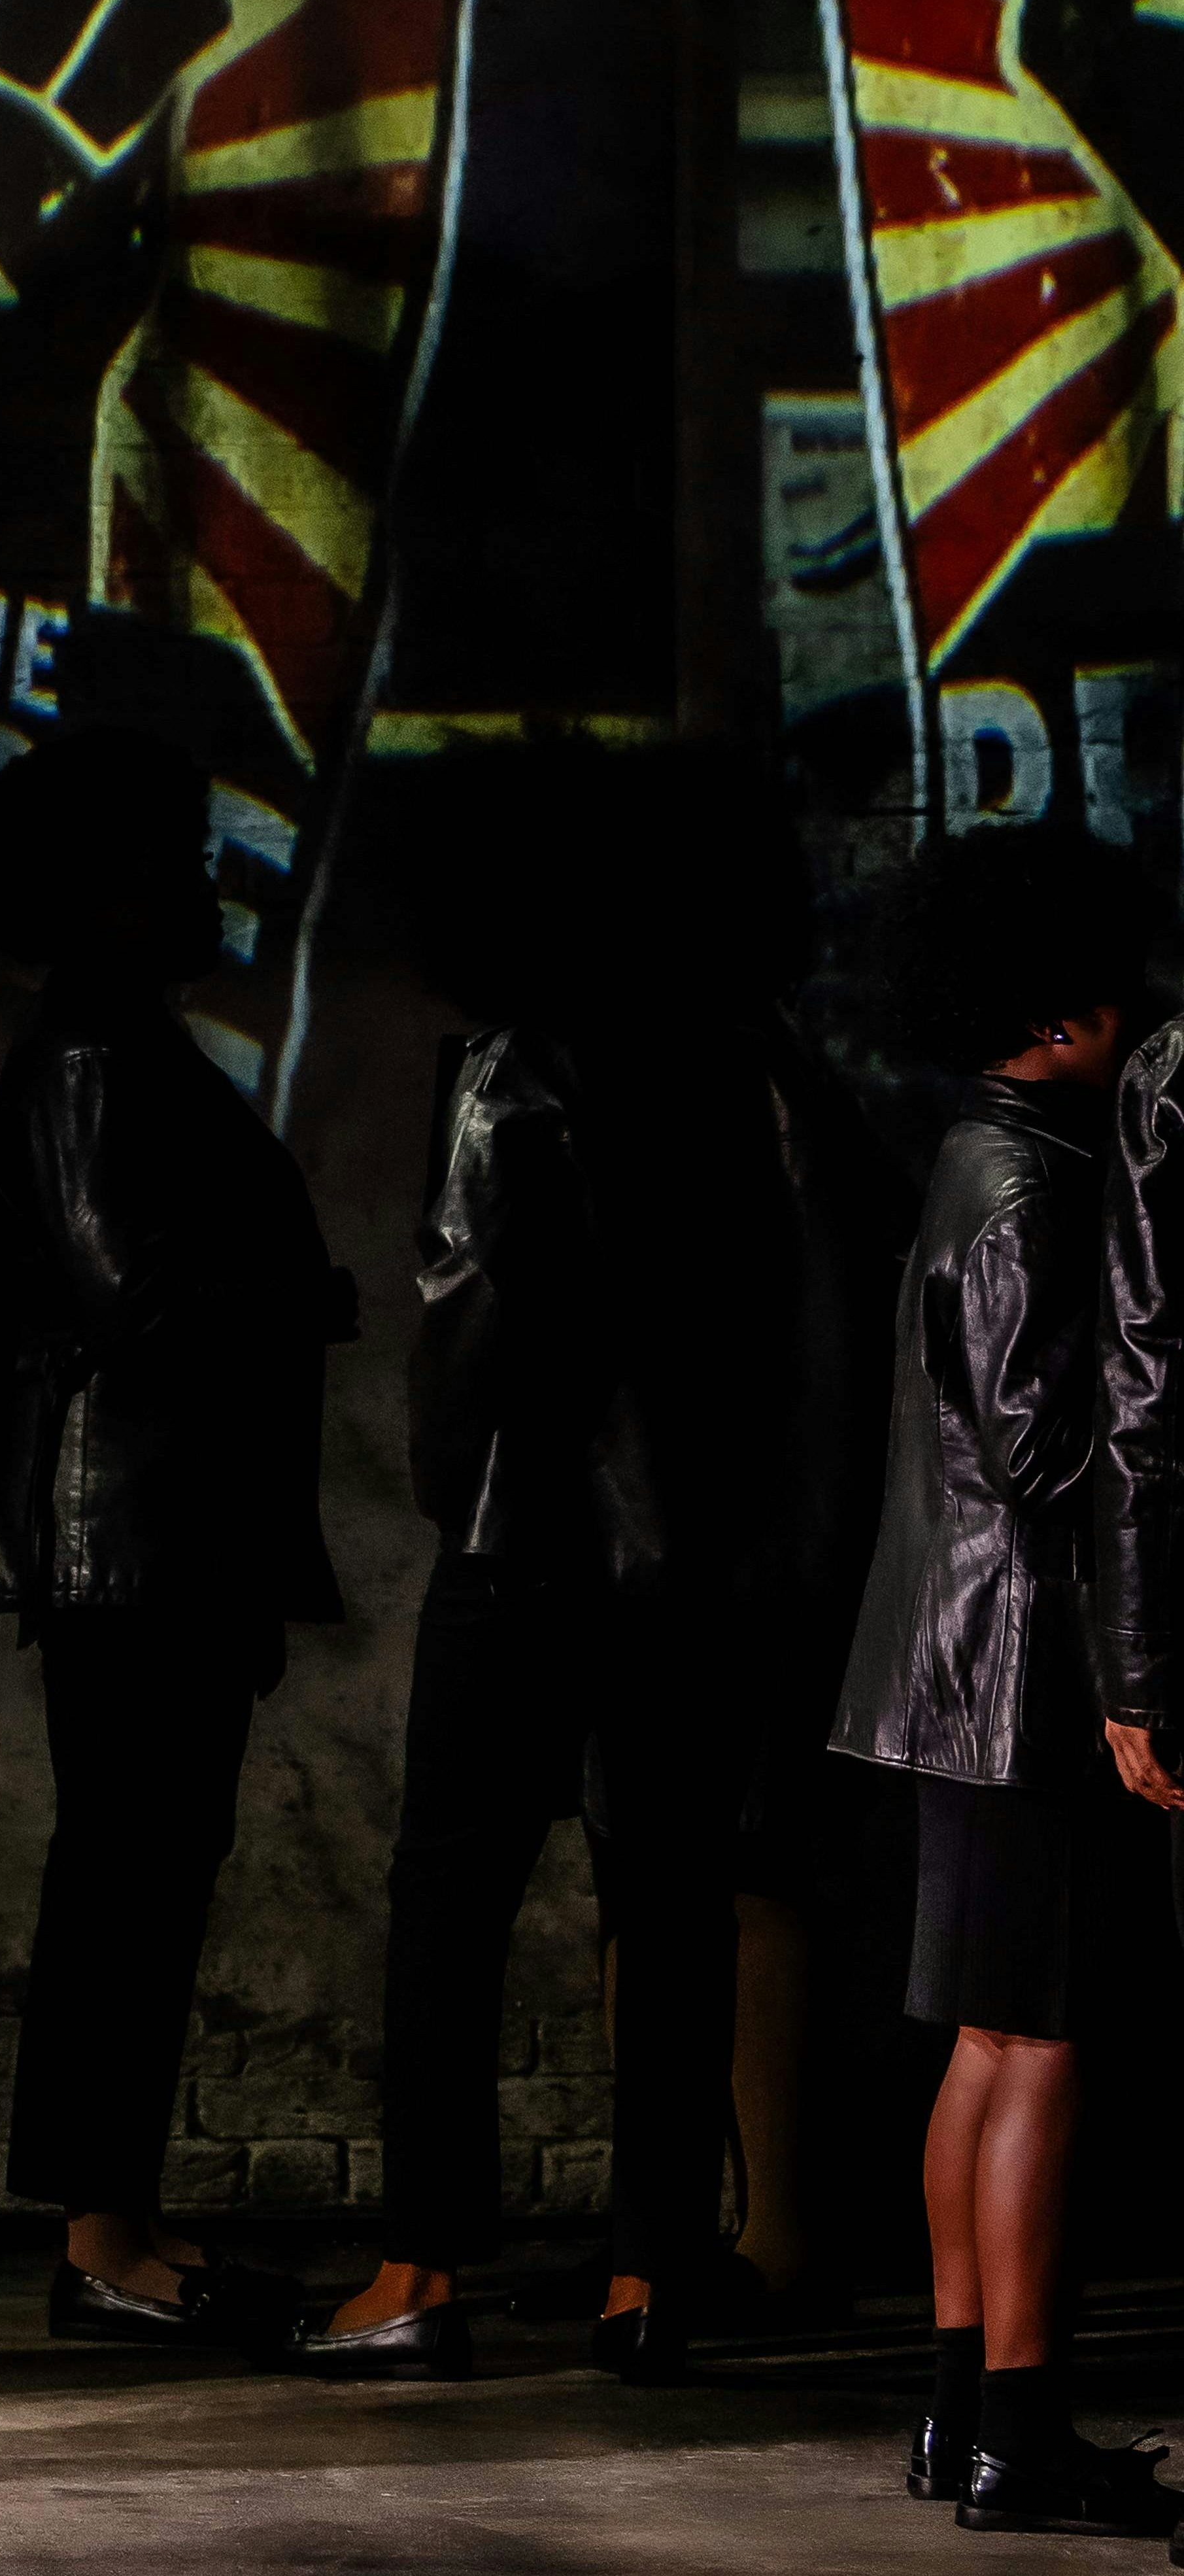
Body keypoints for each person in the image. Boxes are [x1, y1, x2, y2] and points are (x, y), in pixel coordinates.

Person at [298, 751, 889, 2384]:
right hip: (691, 1559)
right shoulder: (754, 1067)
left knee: (449, 1906)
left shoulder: (510, 1063)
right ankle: (649, 2278)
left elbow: (473, 1322)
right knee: (674, 1902)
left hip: (522, 1543)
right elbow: (804, 1342)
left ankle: (418, 2265)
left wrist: (449, 1488)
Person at [0, 727, 349, 2355]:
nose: (201, 888)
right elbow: (138, 1294)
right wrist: (304, 1294)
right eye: (173, 861)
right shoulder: (93, 1055)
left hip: (148, 1534)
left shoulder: (111, 1045)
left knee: (138, 1880)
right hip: (132, 1540)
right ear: (104, 892)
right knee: (124, 1885)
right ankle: (102, 2240)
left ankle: (117, 2223)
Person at [834, 820, 1174, 2535]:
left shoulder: (974, 1157)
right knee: (1039, 2053)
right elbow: (1051, 1452)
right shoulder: (1042, 1182)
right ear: (1063, 1016)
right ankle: (1021, 2437)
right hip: (1025, 1672)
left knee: (984, 2048)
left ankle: (965, 2408)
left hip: (948, 1668)